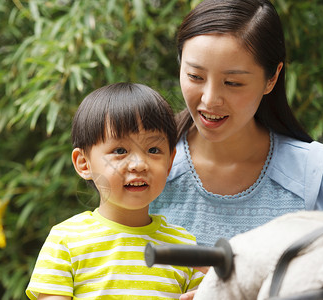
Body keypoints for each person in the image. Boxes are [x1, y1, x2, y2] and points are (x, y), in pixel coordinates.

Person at [149, 0, 323, 248]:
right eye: (195, 76)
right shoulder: (147, 167)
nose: (210, 99)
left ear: (272, 78)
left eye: (233, 83)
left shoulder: (314, 177)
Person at [26, 82, 204, 300]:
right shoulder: (66, 240)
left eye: (153, 150)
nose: (139, 164)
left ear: (169, 163)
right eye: (120, 151)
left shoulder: (183, 246)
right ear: (84, 163)